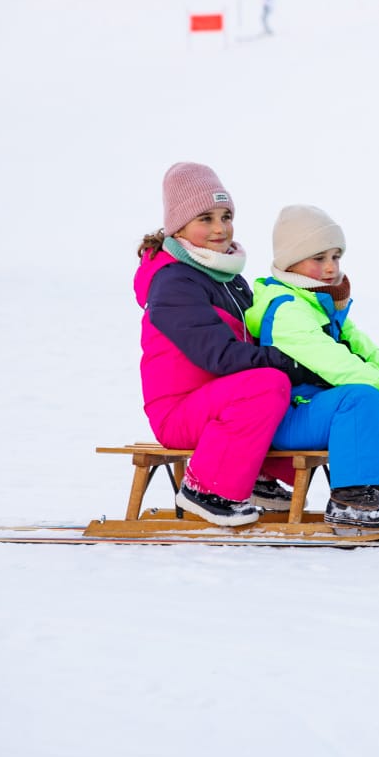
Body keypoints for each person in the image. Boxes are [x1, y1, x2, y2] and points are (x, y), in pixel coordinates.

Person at [134, 163, 319, 527]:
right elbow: (218, 355)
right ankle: (207, 489)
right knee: (268, 383)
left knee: (293, 385)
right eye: (206, 218)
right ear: (179, 226)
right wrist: (286, 363)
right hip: (179, 411)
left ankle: (258, 478)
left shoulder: (228, 278)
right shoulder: (174, 283)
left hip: (221, 399)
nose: (220, 228)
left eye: (226, 216)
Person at [245, 205, 379, 524]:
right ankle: (349, 497)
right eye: (319, 258)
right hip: (289, 414)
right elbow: (332, 361)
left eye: (335, 257)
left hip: (315, 408)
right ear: (290, 262)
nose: (330, 268)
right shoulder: (286, 309)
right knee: (362, 397)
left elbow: (367, 353)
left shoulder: (322, 305)